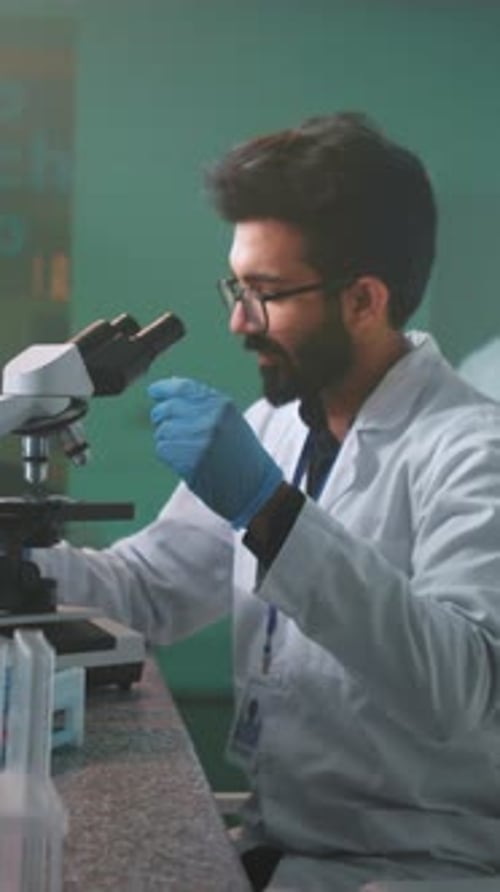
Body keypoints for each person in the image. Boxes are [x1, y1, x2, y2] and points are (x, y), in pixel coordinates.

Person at [34, 112, 500, 891]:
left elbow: (464, 690)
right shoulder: (276, 427)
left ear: (363, 299)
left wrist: (270, 511)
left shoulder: (471, 451)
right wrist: (22, 566)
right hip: (281, 848)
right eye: (236, 286)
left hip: (416, 870)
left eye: (266, 294)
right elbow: (147, 593)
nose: (237, 320)